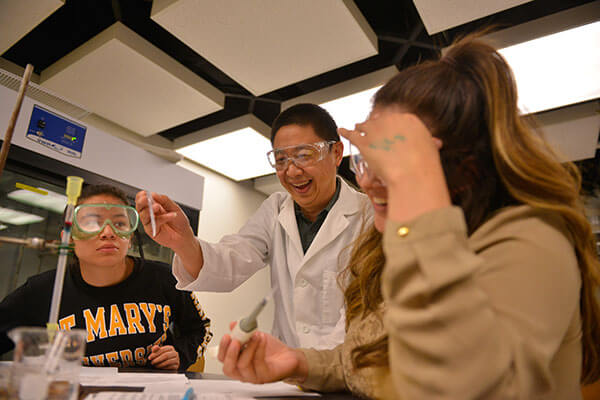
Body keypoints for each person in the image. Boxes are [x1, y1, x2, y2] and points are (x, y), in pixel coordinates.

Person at [214, 35, 600, 399]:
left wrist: (418, 206)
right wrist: (297, 361)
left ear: (461, 164)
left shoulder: (533, 240)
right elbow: (373, 360)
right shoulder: (393, 241)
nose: (370, 180)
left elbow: (459, 382)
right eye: (367, 159)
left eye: (392, 158)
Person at [136, 104, 371, 350]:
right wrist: (183, 242)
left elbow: (371, 315)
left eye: (303, 155)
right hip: (288, 377)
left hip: (348, 374)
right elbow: (231, 261)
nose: (291, 170)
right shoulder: (275, 209)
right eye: (281, 159)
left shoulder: (370, 217)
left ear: (336, 153)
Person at [0, 184, 212, 371]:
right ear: (69, 238)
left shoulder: (165, 278)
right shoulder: (43, 290)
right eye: (92, 222)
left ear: (130, 238)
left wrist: (179, 354)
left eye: (120, 224)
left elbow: (200, 328)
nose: (108, 232)